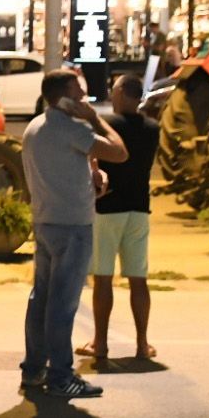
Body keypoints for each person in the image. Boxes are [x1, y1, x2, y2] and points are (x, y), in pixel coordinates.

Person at [20, 68, 128, 402]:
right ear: (62, 95)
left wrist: (91, 174)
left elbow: (73, 162)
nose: (83, 97)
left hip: (46, 222)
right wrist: (95, 118)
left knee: (41, 300)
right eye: (77, 91)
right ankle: (62, 376)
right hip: (73, 227)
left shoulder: (36, 126)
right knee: (62, 305)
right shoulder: (71, 127)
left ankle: (34, 368)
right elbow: (119, 151)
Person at [89, 65, 162, 368]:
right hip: (139, 209)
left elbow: (94, 156)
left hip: (108, 208)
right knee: (138, 279)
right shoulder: (153, 127)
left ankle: (101, 343)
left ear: (120, 93)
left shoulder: (108, 123)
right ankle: (142, 344)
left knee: (103, 278)